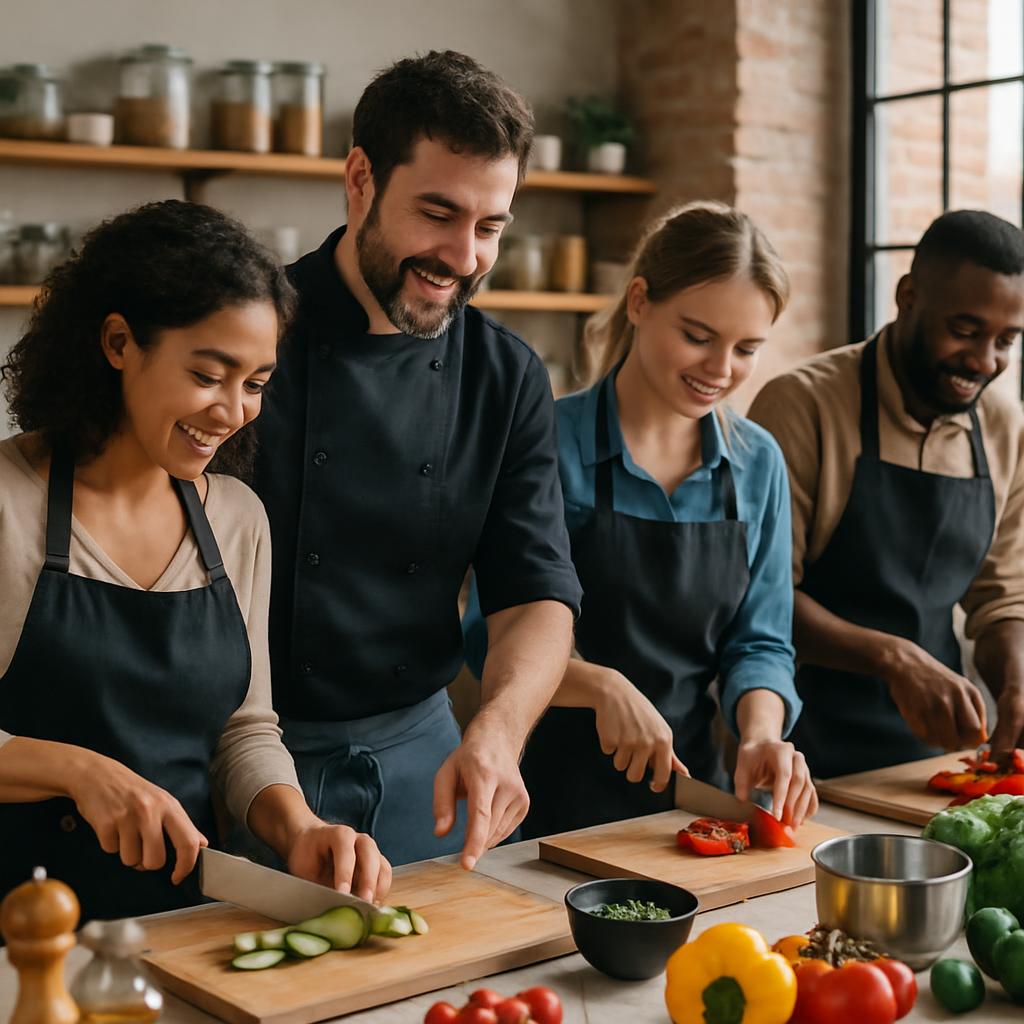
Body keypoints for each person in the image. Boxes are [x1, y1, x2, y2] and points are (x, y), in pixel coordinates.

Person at [0, 200, 391, 924]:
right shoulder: (8, 503)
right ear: (119, 342)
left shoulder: (237, 520)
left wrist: (296, 826)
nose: (233, 410)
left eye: (256, 383)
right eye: (209, 374)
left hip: (177, 925)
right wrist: (79, 772)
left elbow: (244, 731)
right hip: (19, 930)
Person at [251, 51, 581, 868]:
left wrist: (498, 732)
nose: (464, 256)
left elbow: (535, 592)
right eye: (438, 213)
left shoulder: (505, 376)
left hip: (421, 766)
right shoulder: (247, 340)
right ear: (359, 178)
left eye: (491, 226)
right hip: (244, 765)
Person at [465, 201, 818, 837]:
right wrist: (599, 684)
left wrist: (761, 734)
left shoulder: (757, 462)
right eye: (698, 336)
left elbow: (761, 642)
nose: (720, 370)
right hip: (540, 802)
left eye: (746, 349)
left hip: (688, 805)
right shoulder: (545, 438)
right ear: (637, 303)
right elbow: (483, 635)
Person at [748, 209, 1024, 778]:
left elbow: (1001, 596)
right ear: (908, 296)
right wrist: (894, 658)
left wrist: (1016, 684)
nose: (985, 360)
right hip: (797, 750)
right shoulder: (803, 405)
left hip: (937, 757)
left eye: (1007, 340)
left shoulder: (1005, 428)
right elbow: (759, 597)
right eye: (966, 331)